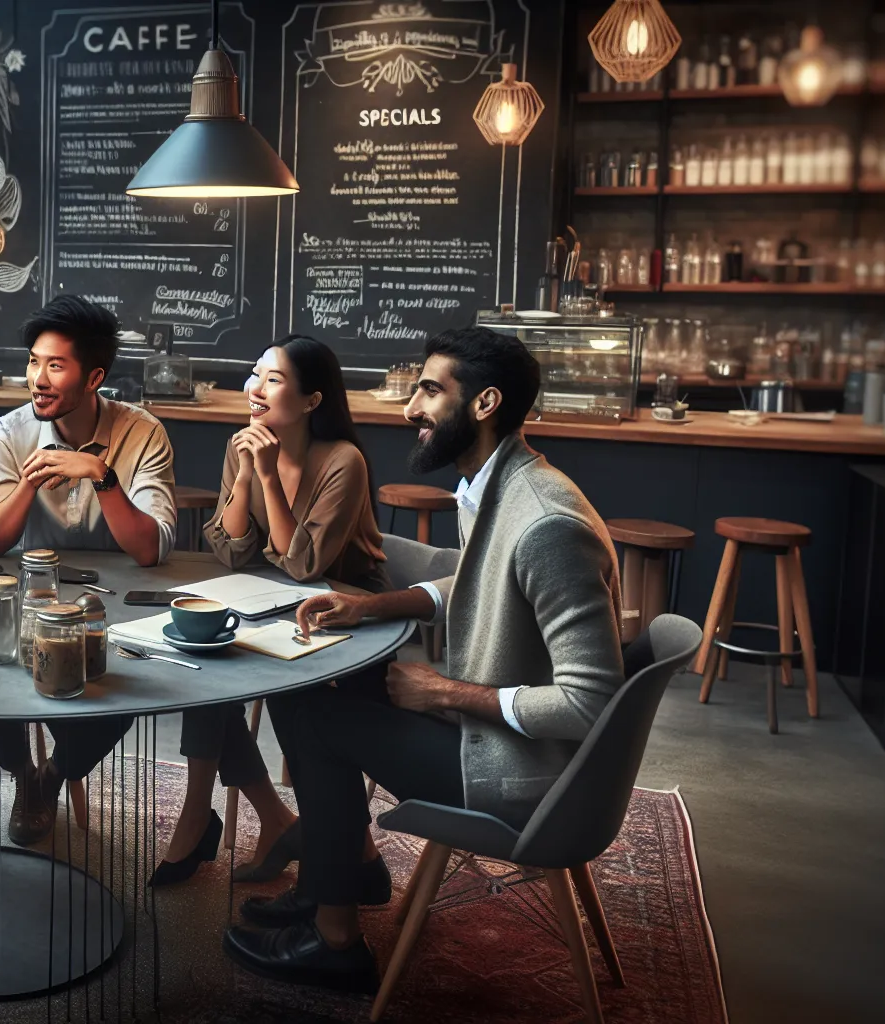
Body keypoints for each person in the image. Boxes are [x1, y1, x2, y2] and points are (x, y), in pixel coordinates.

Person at [221, 326, 624, 993]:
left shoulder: (547, 521)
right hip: (489, 738)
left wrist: (442, 693)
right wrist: (368, 608)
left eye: (431, 391)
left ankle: (336, 939)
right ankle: (342, 875)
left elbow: (591, 703)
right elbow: (478, 581)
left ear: (486, 403)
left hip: (522, 776)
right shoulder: (502, 485)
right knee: (306, 688)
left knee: (319, 715)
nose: (410, 410)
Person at [153, 336, 388, 887]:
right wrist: (243, 471)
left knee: (282, 700)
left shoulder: (342, 461)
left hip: (349, 612)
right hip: (275, 601)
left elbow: (305, 565)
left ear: (311, 400)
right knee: (204, 659)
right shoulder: (246, 445)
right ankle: (265, 819)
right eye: (253, 374)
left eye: (273, 379)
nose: (253, 389)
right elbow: (230, 548)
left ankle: (346, 851)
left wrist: (262, 474)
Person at [0, 295, 175, 846]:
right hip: (30, 593)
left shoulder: (142, 432)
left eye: (55, 365)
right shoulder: (10, 432)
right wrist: (31, 478)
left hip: (113, 602)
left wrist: (102, 476)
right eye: (33, 361)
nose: (37, 378)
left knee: (130, 687)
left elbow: (150, 551)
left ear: (95, 377)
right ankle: (23, 778)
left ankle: (53, 775)